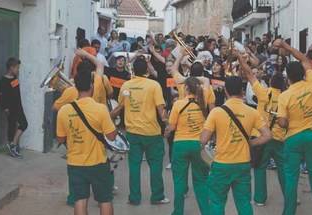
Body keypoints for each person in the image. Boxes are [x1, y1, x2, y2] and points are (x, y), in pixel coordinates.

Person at [272, 39, 312, 215]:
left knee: (291, 179)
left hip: (293, 139)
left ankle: (288, 212)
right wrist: (286, 46)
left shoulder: (285, 96)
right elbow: (304, 60)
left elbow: (282, 122)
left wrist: (286, 120)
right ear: (303, 74)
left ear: (287, 78)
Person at [200, 76, 272, 215]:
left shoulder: (216, 112)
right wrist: (251, 142)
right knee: (244, 203)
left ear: (226, 91)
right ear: (242, 91)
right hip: (243, 164)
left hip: (221, 165)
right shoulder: (252, 112)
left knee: (216, 203)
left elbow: (203, 140)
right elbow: (268, 135)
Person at [56, 59, 117, 215]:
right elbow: (111, 137)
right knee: (105, 200)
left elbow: (61, 139)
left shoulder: (64, 110)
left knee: (80, 200)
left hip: (75, 163)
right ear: (91, 87)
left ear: (75, 87)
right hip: (98, 162)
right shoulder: (101, 109)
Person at [111, 56, 170, 205]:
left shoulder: (126, 86)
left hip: (132, 133)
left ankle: (134, 198)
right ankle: (157, 196)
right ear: (146, 70)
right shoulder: (154, 85)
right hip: (152, 132)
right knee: (156, 166)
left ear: (133, 70)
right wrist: (168, 124)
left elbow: (119, 107)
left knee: (134, 166)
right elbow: (161, 110)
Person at [240, 51, 287, 206]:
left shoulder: (263, 93)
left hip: (262, 137)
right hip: (279, 139)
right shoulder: (286, 98)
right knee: (283, 169)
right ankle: (290, 195)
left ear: (271, 82)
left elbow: (249, 74)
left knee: (260, 168)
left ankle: (260, 199)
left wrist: (241, 59)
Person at [164, 77, 210, 215]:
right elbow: (206, 80)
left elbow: (171, 127)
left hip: (180, 145)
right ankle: (206, 212)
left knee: (179, 182)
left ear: (186, 89)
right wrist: (192, 80)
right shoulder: (204, 100)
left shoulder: (178, 104)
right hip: (198, 145)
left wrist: (166, 130)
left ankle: (178, 212)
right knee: (201, 181)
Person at [0, 57, 27, 158]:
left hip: (18, 107)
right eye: (17, 68)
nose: (18, 70)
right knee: (13, 125)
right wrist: (5, 107)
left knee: (23, 124)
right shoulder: (3, 81)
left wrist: (20, 105)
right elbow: (0, 95)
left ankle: (12, 145)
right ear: (11, 68)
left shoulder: (15, 79)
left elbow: (16, 93)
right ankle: (12, 146)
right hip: (10, 108)